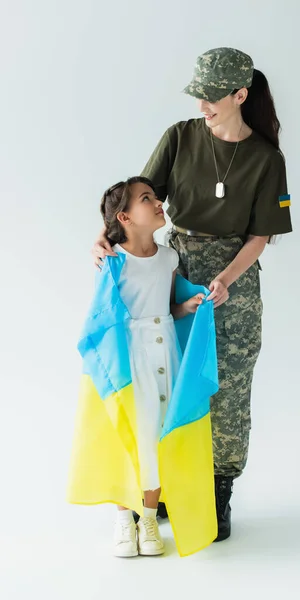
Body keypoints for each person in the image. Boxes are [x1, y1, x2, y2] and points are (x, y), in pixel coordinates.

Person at [92, 47, 293, 542]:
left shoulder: (267, 159)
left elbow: (260, 234)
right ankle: (165, 488)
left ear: (239, 95)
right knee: (167, 380)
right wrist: (105, 236)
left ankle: (218, 490)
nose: (202, 104)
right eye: (198, 94)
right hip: (173, 270)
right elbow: (138, 200)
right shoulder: (180, 137)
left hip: (235, 282)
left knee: (227, 385)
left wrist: (226, 278)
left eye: (211, 96)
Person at [71, 176, 210, 558]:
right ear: (125, 217)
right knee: (132, 432)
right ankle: (123, 520)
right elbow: (104, 316)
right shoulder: (113, 260)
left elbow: (167, 306)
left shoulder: (169, 258)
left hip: (165, 353)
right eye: (146, 199)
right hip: (131, 358)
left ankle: (149, 517)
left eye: (154, 197)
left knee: (161, 430)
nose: (157, 203)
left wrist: (188, 307)